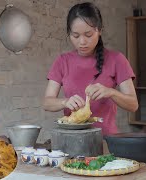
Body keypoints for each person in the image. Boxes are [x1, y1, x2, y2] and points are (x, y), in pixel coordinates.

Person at [43, 2, 138, 135]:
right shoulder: (62, 61)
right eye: (75, 36)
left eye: (88, 35)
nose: (82, 42)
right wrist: (65, 102)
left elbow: (133, 105)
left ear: (99, 31)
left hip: (105, 140)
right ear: (69, 33)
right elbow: (47, 103)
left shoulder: (117, 59)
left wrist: (111, 92)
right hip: (71, 138)